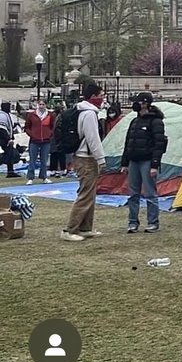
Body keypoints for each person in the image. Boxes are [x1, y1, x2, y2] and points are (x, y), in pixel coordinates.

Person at [60, 80, 107, 242]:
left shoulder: (81, 111)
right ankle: (70, 229)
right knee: (85, 194)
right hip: (85, 158)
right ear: (93, 96)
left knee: (90, 193)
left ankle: (85, 227)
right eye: (101, 95)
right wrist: (101, 159)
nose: (103, 98)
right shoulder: (89, 114)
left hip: (83, 156)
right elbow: (93, 138)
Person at [120, 91, 167, 233]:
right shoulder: (134, 121)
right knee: (132, 193)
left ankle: (153, 222)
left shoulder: (156, 122)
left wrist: (154, 164)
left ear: (145, 103)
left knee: (150, 193)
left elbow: (159, 144)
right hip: (133, 161)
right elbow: (128, 143)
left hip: (147, 161)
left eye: (138, 101)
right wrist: (124, 162)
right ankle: (132, 222)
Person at [24, 98, 54, 184]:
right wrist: (31, 134)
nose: (41, 106)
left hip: (46, 140)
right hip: (34, 140)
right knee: (32, 159)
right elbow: (27, 127)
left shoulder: (50, 115)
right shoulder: (32, 115)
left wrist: (49, 134)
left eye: (43, 104)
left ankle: (44, 177)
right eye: (40, 104)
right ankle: (30, 178)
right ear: (37, 105)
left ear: (46, 105)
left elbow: (52, 126)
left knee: (44, 160)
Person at [0, 101, 21, 179]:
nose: (10, 108)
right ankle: (10, 172)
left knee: (10, 154)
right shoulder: (2, 115)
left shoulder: (6, 115)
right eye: (9, 107)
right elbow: (2, 129)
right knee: (9, 154)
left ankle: (11, 171)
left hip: (4, 138)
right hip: (3, 138)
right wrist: (8, 139)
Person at [48, 100, 68, 176]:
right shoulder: (53, 116)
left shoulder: (62, 116)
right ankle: (54, 169)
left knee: (60, 153)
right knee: (55, 153)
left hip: (59, 136)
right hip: (54, 137)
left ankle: (61, 169)